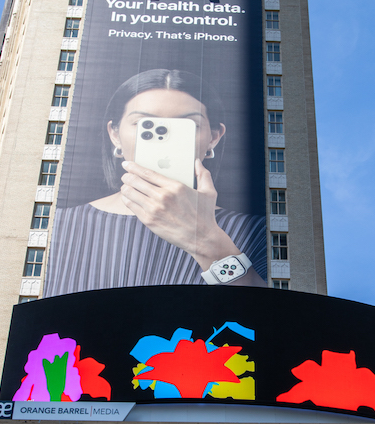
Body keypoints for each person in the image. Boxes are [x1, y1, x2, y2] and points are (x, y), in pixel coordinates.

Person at [43, 69, 267, 297]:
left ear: (213, 137)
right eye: (144, 123)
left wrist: (207, 240)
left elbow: (266, 322)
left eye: (188, 125)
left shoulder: (256, 233)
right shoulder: (59, 226)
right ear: (115, 134)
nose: (168, 141)